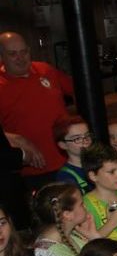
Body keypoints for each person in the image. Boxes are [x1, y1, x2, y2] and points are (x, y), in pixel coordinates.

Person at [0, 30, 74, 182]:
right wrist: (17, 139)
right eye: (13, 54)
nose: (20, 58)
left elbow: (80, 88)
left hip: (70, 160)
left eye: (24, 52)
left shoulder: (45, 70)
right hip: (34, 171)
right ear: (1, 57)